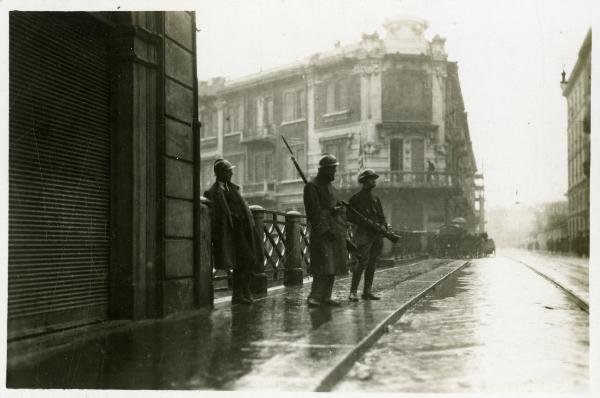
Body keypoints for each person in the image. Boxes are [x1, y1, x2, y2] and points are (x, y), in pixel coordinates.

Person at [204, 158, 261, 305]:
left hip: (243, 230)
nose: (232, 173)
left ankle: (242, 292)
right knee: (244, 260)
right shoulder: (212, 192)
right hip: (230, 233)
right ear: (220, 173)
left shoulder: (232, 188)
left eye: (231, 171)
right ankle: (239, 294)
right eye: (229, 171)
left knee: (248, 260)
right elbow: (216, 217)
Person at [303, 154, 349, 308]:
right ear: (324, 170)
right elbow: (313, 212)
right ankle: (314, 296)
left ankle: (326, 297)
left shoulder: (332, 188)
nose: (334, 172)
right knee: (322, 266)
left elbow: (336, 208)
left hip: (335, 231)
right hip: (322, 232)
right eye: (332, 169)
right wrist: (325, 228)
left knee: (333, 266)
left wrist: (338, 211)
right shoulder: (312, 186)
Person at [347, 169, 387, 301]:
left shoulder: (376, 198)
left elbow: (381, 215)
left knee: (372, 264)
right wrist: (364, 222)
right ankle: (353, 292)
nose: (373, 181)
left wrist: (383, 227)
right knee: (361, 263)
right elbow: (349, 216)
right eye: (371, 179)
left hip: (377, 235)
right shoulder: (356, 199)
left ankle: (367, 291)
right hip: (364, 234)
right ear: (364, 181)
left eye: (374, 179)